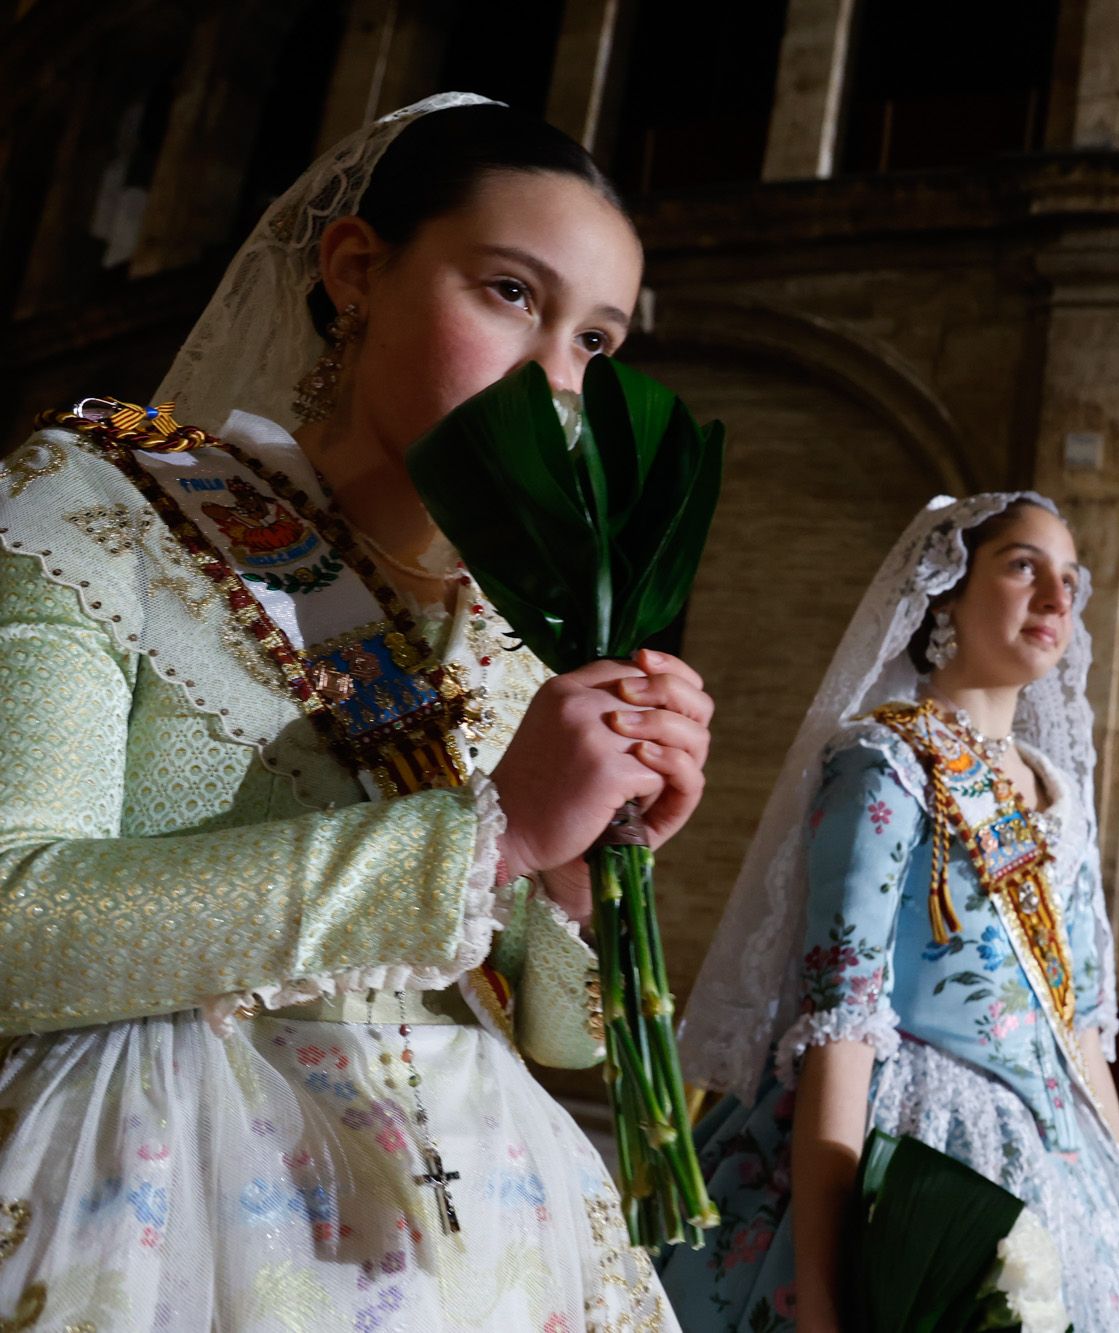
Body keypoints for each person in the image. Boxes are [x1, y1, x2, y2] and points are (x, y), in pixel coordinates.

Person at [0, 96, 695, 1330]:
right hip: (166, 1208)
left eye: (595, 340)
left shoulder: (512, 633)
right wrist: (484, 841)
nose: (554, 378)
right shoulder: (107, 502)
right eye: (510, 294)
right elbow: (13, 918)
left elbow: (565, 1041)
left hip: (488, 1235)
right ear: (357, 270)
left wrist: (587, 882)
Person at [660, 494, 1119, 1331]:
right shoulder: (882, 764)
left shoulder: (1059, 798)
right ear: (947, 590)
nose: (1058, 600)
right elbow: (839, 1025)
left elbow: (1083, 1032)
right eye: (1024, 566)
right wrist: (822, 1292)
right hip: (903, 1139)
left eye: (1070, 579)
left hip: (1064, 1160)